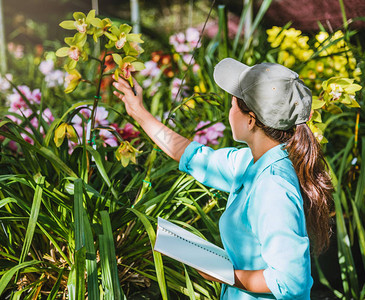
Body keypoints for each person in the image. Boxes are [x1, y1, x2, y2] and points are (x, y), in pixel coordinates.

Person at [112, 57, 333, 299]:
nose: (229, 113)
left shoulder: (274, 186)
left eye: (232, 106)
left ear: (250, 119)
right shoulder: (250, 162)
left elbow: (290, 281)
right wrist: (138, 111)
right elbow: (193, 156)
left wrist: (222, 273)